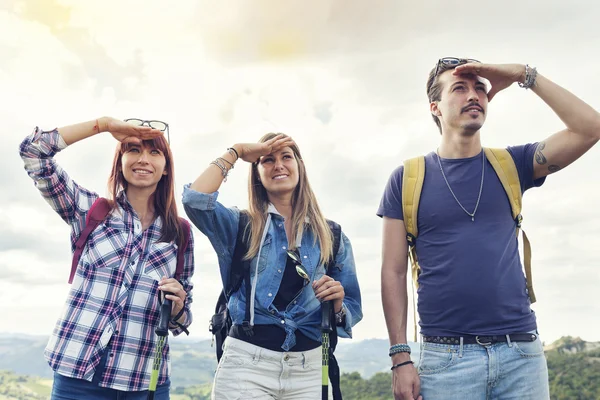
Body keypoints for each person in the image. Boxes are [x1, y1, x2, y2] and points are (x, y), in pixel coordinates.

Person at [377, 58, 600, 400]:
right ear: (435, 107)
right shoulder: (407, 178)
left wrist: (524, 75)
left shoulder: (514, 164)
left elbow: (590, 128)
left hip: (521, 356)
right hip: (446, 360)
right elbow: (393, 272)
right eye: (460, 88)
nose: (474, 96)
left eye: (480, 88)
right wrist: (400, 357)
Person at [19, 117, 195, 400]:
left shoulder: (180, 233)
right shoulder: (88, 211)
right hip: (77, 377)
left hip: (144, 382)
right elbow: (34, 151)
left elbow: (181, 320)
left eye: (154, 152)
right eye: (134, 150)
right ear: (120, 160)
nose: (143, 159)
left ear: (165, 169)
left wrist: (178, 308)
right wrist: (102, 126)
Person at [182, 133, 362, 399]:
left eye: (286, 157)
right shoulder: (238, 225)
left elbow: (353, 308)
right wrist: (237, 151)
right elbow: (194, 199)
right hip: (246, 366)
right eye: (267, 160)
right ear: (256, 174)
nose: (278, 165)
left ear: (300, 167)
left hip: (310, 367)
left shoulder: (331, 235)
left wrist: (337, 304)